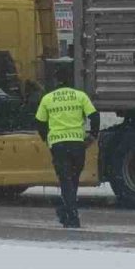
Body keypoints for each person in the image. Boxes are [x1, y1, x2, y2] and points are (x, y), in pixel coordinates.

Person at [35, 69, 99, 228]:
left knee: (65, 180)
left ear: (56, 82)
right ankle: (67, 210)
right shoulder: (80, 96)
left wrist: (46, 138)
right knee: (73, 179)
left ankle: (71, 215)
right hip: (77, 144)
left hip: (58, 145)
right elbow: (94, 116)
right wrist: (93, 135)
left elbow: (39, 122)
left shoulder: (47, 99)